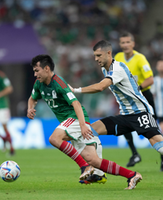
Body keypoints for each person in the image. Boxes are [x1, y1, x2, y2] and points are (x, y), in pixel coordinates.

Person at [70, 40, 163, 189]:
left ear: (109, 53)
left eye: (98, 55)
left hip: (141, 113)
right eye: (95, 56)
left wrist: (76, 90)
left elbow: (101, 86)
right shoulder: (106, 70)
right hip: (125, 116)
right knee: (91, 130)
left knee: (160, 146)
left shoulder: (117, 68)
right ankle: (98, 172)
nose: (96, 59)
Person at [28, 54, 142, 190]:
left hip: (75, 118)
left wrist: (83, 125)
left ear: (46, 68)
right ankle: (132, 175)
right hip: (70, 123)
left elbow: (76, 104)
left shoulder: (59, 83)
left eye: (37, 70)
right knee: (93, 160)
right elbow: (32, 98)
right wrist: (30, 108)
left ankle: (84, 167)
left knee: (54, 138)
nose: (35, 74)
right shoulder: (39, 84)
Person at [114, 32, 163, 171]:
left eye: (128, 42)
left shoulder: (140, 58)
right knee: (123, 123)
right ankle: (135, 154)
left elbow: (150, 79)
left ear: (133, 43)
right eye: (122, 42)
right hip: (128, 98)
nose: (125, 45)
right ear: (120, 44)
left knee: (153, 126)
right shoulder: (118, 57)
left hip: (144, 96)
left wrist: (136, 89)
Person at [0, 70, 15, 155]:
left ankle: (12, 149)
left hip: (2, 106)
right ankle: (3, 138)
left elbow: (9, 88)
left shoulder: (1, 76)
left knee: (5, 127)